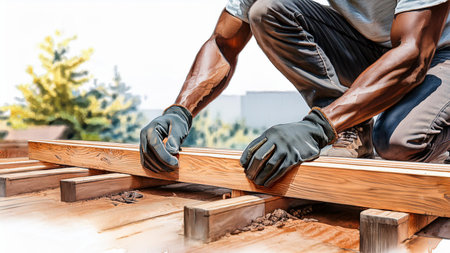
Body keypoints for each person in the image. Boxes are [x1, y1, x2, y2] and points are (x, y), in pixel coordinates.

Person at [140, 0, 450, 187]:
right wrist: (179, 111)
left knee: (398, 143)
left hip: (437, 51)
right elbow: (223, 43)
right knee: (267, 10)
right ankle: (350, 128)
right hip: (376, 46)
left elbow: (414, 54)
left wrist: (317, 127)